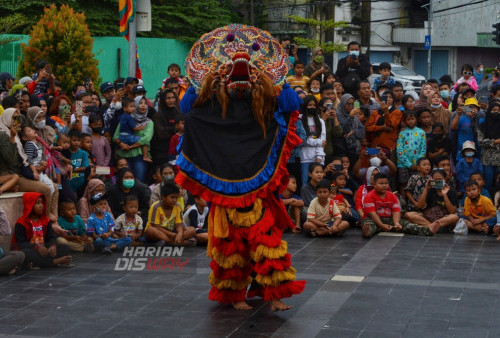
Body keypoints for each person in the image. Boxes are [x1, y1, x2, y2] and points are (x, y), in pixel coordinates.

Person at [177, 26, 305, 311]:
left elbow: (294, 104)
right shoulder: (211, 98)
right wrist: (201, 82)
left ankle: (273, 294)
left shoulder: (266, 100)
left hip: (259, 179)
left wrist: (278, 81)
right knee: (231, 244)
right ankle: (235, 296)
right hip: (224, 179)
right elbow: (187, 110)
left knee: (267, 238)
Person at [0, 108, 58, 218]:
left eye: (17, 118)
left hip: (21, 173)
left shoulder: (15, 134)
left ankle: (55, 220)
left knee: (54, 187)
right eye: (13, 118)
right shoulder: (3, 134)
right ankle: (46, 222)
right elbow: (10, 158)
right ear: (7, 118)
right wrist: (12, 137)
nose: (16, 121)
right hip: (10, 175)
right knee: (45, 189)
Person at [362, 173, 436, 238]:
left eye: (386, 183)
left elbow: (396, 211)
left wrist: (396, 223)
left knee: (407, 224)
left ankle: (428, 230)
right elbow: (372, 214)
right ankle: (367, 232)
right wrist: (381, 225)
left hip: (389, 219)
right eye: (381, 183)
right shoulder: (369, 196)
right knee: (369, 225)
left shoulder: (392, 196)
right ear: (374, 184)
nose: (384, 185)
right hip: (373, 219)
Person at [11, 192, 72, 268]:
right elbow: (21, 244)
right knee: (25, 253)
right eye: (37, 203)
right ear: (30, 205)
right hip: (32, 250)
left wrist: (52, 246)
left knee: (65, 247)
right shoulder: (21, 222)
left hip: (45, 250)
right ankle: (55, 262)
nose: (41, 206)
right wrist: (37, 248)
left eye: (42, 203)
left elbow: (51, 237)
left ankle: (36, 263)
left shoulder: (46, 220)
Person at [113, 96, 154, 182]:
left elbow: (146, 139)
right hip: (124, 156)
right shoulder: (126, 118)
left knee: (139, 180)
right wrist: (121, 144)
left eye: (145, 103)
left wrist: (130, 147)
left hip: (139, 156)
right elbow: (115, 136)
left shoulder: (149, 122)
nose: (143, 106)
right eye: (140, 103)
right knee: (124, 181)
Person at [396, 111, 427, 192]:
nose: (410, 121)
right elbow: (399, 150)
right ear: (405, 121)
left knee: (416, 183)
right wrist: (409, 164)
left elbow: (423, 149)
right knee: (404, 184)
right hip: (403, 164)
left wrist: (418, 163)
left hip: (417, 164)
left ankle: (414, 202)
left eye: (412, 119)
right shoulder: (402, 133)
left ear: (416, 119)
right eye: (408, 119)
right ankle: (405, 203)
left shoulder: (421, 132)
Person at [331, 94, 365, 164]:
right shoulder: (337, 115)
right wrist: (351, 116)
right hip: (343, 151)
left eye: (352, 104)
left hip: (355, 150)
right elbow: (343, 131)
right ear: (343, 103)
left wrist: (354, 132)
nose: (351, 106)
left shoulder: (355, 117)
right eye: (348, 104)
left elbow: (362, 132)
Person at [299, 96, 326, 185]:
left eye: (314, 105)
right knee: (305, 183)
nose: (312, 107)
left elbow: (323, 140)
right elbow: (302, 140)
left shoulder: (320, 121)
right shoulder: (300, 119)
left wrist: (320, 157)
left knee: (318, 185)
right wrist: (317, 142)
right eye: (310, 105)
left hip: (318, 158)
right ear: (305, 106)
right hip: (305, 158)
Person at [151, 89, 181, 165]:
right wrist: (174, 129)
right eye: (168, 98)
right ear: (163, 100)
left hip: (177, 150)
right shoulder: (158, 115)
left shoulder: (178, 113)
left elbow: (182, 130)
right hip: (161, 152)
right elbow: (161, 134)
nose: (171, 100)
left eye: (173, 97)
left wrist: (167, 129)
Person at [478, 101, 500, 192]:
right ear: (489, 111)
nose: (496, 112)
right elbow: (480, 142)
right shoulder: (483, 125)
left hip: (499, 161)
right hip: (487, 160)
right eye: (494, 110)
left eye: (499, 110)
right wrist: (495, 141)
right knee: (488, 184)